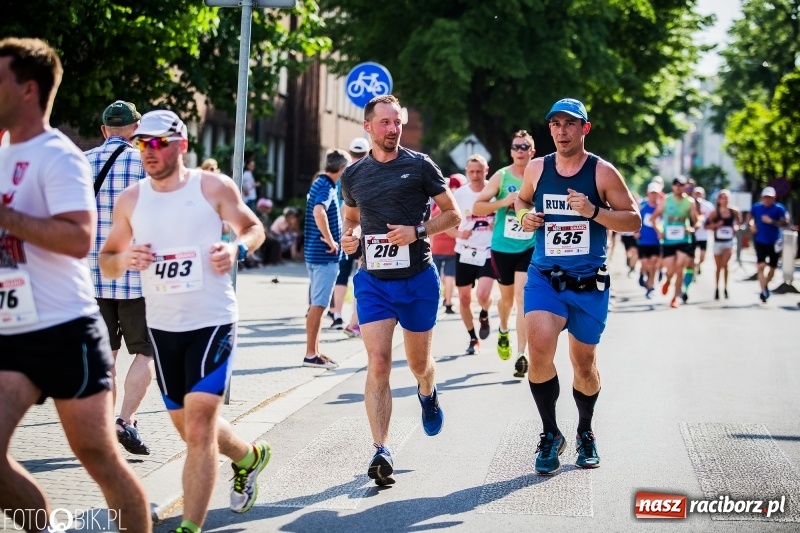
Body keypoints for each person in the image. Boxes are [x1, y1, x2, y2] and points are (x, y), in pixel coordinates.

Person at [0, 37, 150, 532]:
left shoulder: (60, 156)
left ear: (28, 90)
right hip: (12, 325)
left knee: (97, 455)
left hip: (65, 325)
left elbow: (77, 237)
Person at [99, 110, 268, 533]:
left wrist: (236, 251)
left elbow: (253, 228)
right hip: (162, 328)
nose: (148, 152)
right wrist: (126, 259)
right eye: (142, 143)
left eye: (158, 143)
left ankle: (190, 526)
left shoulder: (212, 186)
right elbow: (107, 262)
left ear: (182, 145)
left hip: (212, 321)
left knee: (198, 424)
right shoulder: (132, 198)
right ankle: (248, 456)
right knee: (191, 428)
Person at [515, 98, 641, 474]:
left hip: (588, 284)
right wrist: (525, 217)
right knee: (538, 348)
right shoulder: (537, 167)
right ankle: (550, 433)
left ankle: (585, 430)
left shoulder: (602, 172)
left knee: (583, 365)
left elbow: (633, 221)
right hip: (545, 278)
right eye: (555, 124)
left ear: (584, 128)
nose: (561, 131)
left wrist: (594, 212)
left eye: (570, 124)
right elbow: (521, 200)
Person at [340, 95, 461, 486]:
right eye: (385, 123)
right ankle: (382, 449)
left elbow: (453, 214)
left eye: (397, 122)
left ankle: (428, 391)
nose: (393, 129)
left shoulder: (420, 166)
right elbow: (353, 219)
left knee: (418, 366)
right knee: (378, 363)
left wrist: (418, 231)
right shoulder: (353, 175)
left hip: (417, 281)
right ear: (368, 126)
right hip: (373, 282)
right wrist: (351, 237)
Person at [85, 100, 156, 456]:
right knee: (146, 351)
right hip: (136, 279)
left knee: (104, 358)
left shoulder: (82, 163)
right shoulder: (145, 162)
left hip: (92, 277)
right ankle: (125, 421)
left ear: (103, 130)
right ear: (136, 129)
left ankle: (102, 425)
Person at [473, 130, 536, 376]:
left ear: (532, 151)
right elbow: (478, 206)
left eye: (525, 147)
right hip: (502, 247)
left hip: (529, 246)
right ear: (511, 151)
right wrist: (504, 202)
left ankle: (522, 353)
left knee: (522, 298)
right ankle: (503, 328)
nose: (520, 151)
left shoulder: (539, 175)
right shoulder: (501, 176)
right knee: (506, 300)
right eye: (516, 147)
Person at [303, 149, 351, 369]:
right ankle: (311, 354)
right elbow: (318, 211)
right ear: (341, 169)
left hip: (315, 254)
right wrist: (331, 240)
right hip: (324, 256)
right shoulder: (326, 186)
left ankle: (315, 351)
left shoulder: (320, 183)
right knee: (319, 305)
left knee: (318, 304)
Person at [453, 156, 495, 355]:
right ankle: (472, 337)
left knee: (484, 294)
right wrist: (458, 233)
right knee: (463, 299)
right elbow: (444, 224)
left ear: (486, 170)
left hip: (488, 252)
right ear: (466, 171)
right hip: (465, 251)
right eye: (472, 172)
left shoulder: (494, 192)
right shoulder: (459, 195)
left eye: (479, 171)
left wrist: (498, 224)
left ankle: (485, 314)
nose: (476, 176)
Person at [329, 137, 370, 332]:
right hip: (361, 228)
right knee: (362, 274)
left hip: (343, 228)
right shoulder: (368, 170)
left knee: (343, 272)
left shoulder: (343, 173)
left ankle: (337, 314)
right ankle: (355, 321)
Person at [653, 176, 697, 308]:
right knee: (670, 270)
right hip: (668, 241)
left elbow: (697, 219)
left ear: (685, 186)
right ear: (672, 186)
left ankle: (674, 298)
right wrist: (659, 231)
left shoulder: (690, 202)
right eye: (676, 184)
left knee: (680, 269)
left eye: (681, 184)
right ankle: (667, 280)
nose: (678, 187)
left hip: (684, 240)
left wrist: (692, 228)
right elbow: (654, 218)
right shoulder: (666, 200)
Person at [431, 175, 464, 316]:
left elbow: (433, 225)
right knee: (450, 276)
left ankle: (433, 303)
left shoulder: (440, 204)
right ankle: (448, 303)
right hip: (452, 247)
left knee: (435, 276)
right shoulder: (457, 205)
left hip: (437, 245)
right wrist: (460, 235)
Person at [749, 186, 789, 302]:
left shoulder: (779, 208)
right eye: (766, 197)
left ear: (774, 198)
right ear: (762, 197)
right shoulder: (757, 207)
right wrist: (752, 225)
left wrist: (771, 221)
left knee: (772, 268)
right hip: (760, 240)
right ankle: (763, 291)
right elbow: (750, 218)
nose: (767, 200)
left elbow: (785, 222)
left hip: (774, 242)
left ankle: (765, 285)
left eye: (770, 198)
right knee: (761, 266)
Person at [706, 189, 741, 299]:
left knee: (725, 265)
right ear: (719, 200)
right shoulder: (714, 213)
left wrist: (735, 228)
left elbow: (739, 223)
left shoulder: (733, 211)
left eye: (726, 198)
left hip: (728, 241)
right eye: (722, 198)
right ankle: (717, 288)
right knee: (718, 267)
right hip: (717, 242)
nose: (724, 200)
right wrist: (716, 225)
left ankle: (725, 288)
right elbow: (707, 226)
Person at [637, 182, 664, 299]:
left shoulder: (662, 208)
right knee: (645, 265)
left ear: (659, 194)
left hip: (656, 242)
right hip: (643, 241)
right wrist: (636, 231)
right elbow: (636, 221)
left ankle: (650, 287)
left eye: (656, 193)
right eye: (652, 193)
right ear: (648, 193)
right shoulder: (642, 207)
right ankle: (642, 274)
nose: (653, 195)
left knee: (653, 265)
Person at [692, 186, 714, 275]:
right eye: (696, 193)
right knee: (692, 255)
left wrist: (710, 225)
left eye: (699, 193)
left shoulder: (708, 206)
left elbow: (712, 218)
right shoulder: (691, 204)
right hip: (693, 234)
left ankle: (697, 265)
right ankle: (693, 271)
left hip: (704, 235)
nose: (698, 195)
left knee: (702, 256)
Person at [255, 198, 282, 266]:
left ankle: (271, 260)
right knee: (275, 243)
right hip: (258, 235)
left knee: (274, 241)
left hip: (265, 235)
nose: (268, 209)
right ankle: (270, 261)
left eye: (269, 208)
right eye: (266, 207)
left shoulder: (267, 217)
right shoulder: (257, 215)